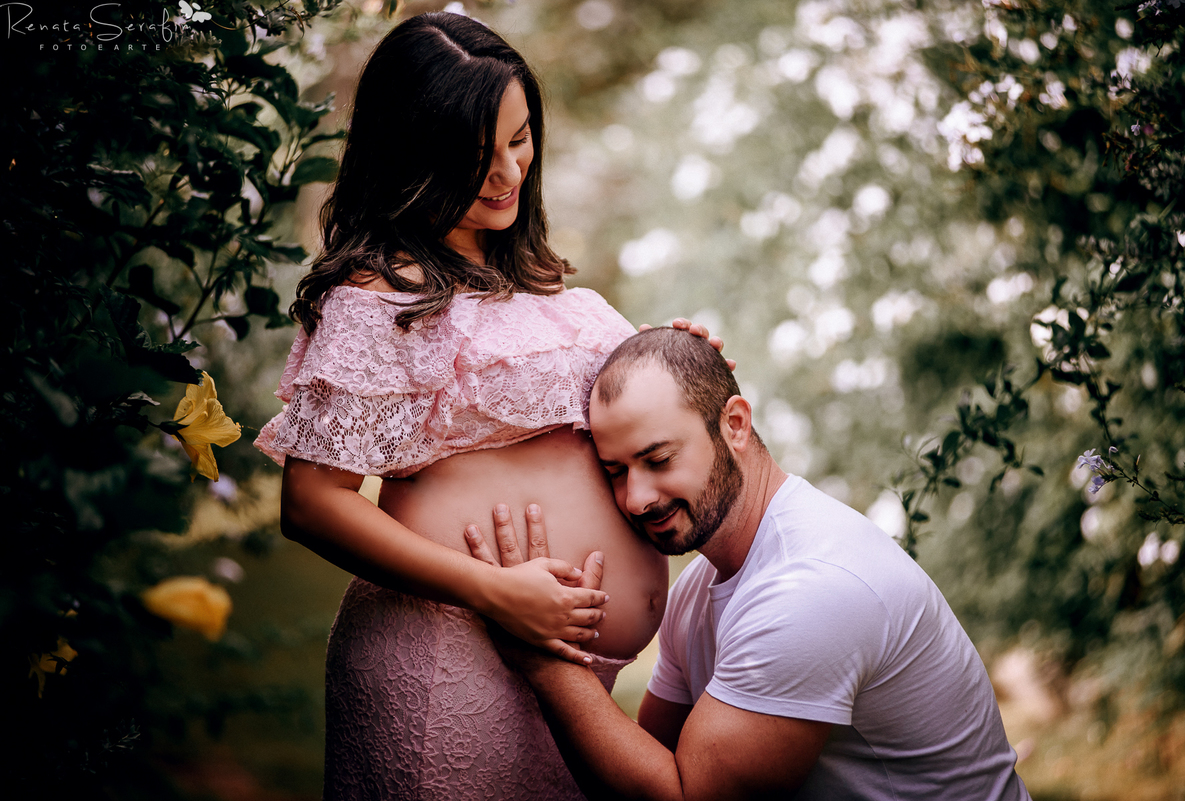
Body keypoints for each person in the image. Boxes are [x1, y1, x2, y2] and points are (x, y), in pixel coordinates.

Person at [253, 13, 720, 801]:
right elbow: (311, 503)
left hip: (570, 682)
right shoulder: (382, 298)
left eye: (520, 139)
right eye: (476, 157)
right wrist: (495, 590)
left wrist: (679, 373)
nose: (508, 173)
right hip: (447, 658)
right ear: (412, 155)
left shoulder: (540, 282)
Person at [468, 327, 1032, 800]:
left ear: (734, 424)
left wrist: (549, 664)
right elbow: (647, 766)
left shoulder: (811, 589)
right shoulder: (697, 591)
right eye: (616, 471)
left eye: (658, 458)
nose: (637, 498)